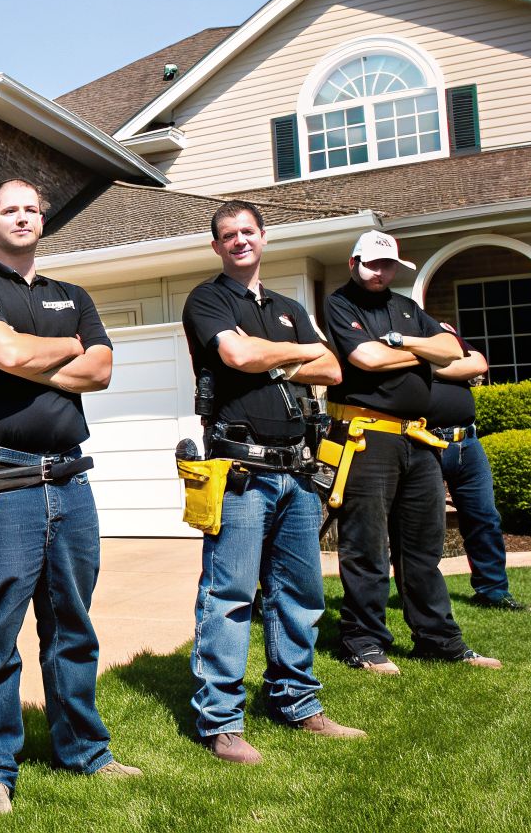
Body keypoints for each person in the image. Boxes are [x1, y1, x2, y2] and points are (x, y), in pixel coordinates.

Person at [0, 178, 137, 817]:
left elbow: (102, 370)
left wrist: (31, 360)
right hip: (4, 483)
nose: (21, 218)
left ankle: (84, 750)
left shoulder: (71, 295)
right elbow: (2, 350)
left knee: (72, 626)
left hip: (71, 482)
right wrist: (61, 351)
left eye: (31, 209)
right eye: (9, 210)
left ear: (43, 219)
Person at [180, 201, 365, 765]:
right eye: (228, 235)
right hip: (239, 473)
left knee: (301, 596)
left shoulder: (287, 306)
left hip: (297, 472)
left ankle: (296, 701)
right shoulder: (207, 300)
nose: (239, 241)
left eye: (247, 232)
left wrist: (276, 360)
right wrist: (299, 354)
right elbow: (235, 354)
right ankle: (220, 721)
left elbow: (333, 370)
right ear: (216, 246)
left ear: (264, 237)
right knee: (229, 597)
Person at [323, 231, 501, 674]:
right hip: (368, 437)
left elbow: (453, 349)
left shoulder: (405, 307)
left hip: (418, 438)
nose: (379, 272)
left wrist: (403, 345)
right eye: (371, 264)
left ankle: (438, 639)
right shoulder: (340, 304)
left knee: (422, 548)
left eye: (386, 266)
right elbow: (365, 358)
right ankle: (363, 641)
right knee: (365, 546)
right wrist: (425, 353)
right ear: (354, 263)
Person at [426, 332, 531, 611]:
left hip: (467, 442)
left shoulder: (441, 332)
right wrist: (448, 366)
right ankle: (422, 596)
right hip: (423, 443)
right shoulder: (398, 337)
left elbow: (477, 364)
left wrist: (425, 366)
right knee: (424, 526)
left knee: (484, 517)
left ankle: (493, 591)